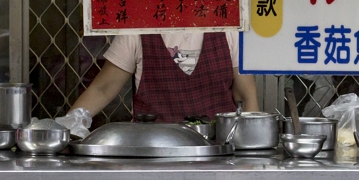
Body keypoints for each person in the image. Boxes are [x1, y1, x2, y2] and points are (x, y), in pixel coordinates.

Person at [70, 30, 259, 123]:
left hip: (218, 152)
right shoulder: (136, 32)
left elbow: (246, 97)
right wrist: (67, 127)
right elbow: (102, 90)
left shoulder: (229, 31)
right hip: (152, 153)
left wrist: (250, 153)